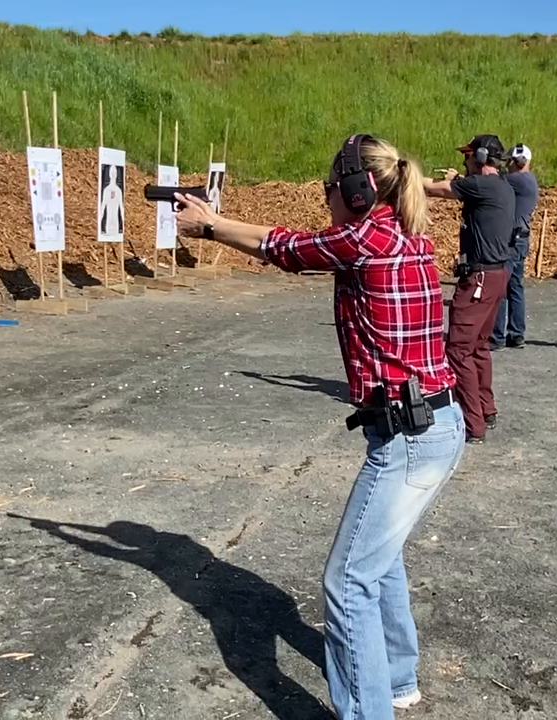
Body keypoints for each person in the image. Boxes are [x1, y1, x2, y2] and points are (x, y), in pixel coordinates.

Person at [173, 134, 466, 720]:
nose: (326, 198)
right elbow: (290, 241)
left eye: (331, 189)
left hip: (410, 436)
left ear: (358, 191)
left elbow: (283, 247)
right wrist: (219, 223)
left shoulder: (368, 238)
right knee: (380, 562)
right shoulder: (405, 233)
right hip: (431, 423)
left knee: (347, 582)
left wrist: (211, 227)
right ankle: (399, 679)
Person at [422, 134, 515, 443]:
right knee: (478, 347)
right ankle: (486, 409)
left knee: (458, 348)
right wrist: (460, 179)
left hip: (479, 278)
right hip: (496, 275)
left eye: (469, 155)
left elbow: (433, 189)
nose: (465, 160)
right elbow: (464, 186)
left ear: (481, 156)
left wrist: (402, 175)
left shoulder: (481, 186)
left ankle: (473, 424)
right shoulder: (499, 185)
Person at [490, 143, 539, 350]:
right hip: (520, 238)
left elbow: (492, 183)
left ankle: (497, 336)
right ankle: (516, 334)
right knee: (515, 287)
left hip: (512, 240)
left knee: (502, 287)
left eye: (513, 161)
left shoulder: (518, 180)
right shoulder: (527, 179)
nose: (511, 164)